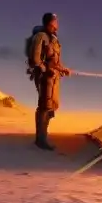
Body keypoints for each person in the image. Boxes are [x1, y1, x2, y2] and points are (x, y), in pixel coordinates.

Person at [27, 12, 71, 150]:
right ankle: (41, 140)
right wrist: (45, 69)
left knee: (52, 105)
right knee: (44, 106)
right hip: (45, 78)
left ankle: (43, 136)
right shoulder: (41, 37)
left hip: (54, 78)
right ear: (50, 22)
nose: (57, 23)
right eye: (55, 21)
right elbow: (35, 59)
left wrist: (62, 69)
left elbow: (55, 61)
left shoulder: (55, 39)